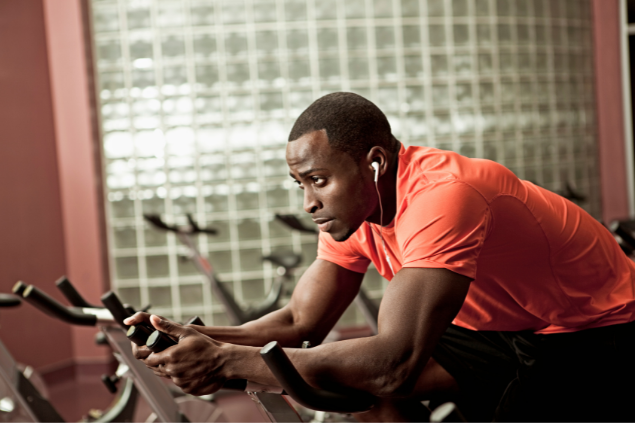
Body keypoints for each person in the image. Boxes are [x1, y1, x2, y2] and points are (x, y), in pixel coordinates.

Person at [125, 92, 635, 422]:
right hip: (504, 324)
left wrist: (226, 362)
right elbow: (303, 321)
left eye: (318, 181)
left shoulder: (442, 196)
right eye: (300, 184)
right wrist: (199, 338)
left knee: (385, 378)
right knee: (371, 404)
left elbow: (393, 362)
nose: (308, 203)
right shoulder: (354, 214)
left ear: (374, 163)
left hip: (593, 326)